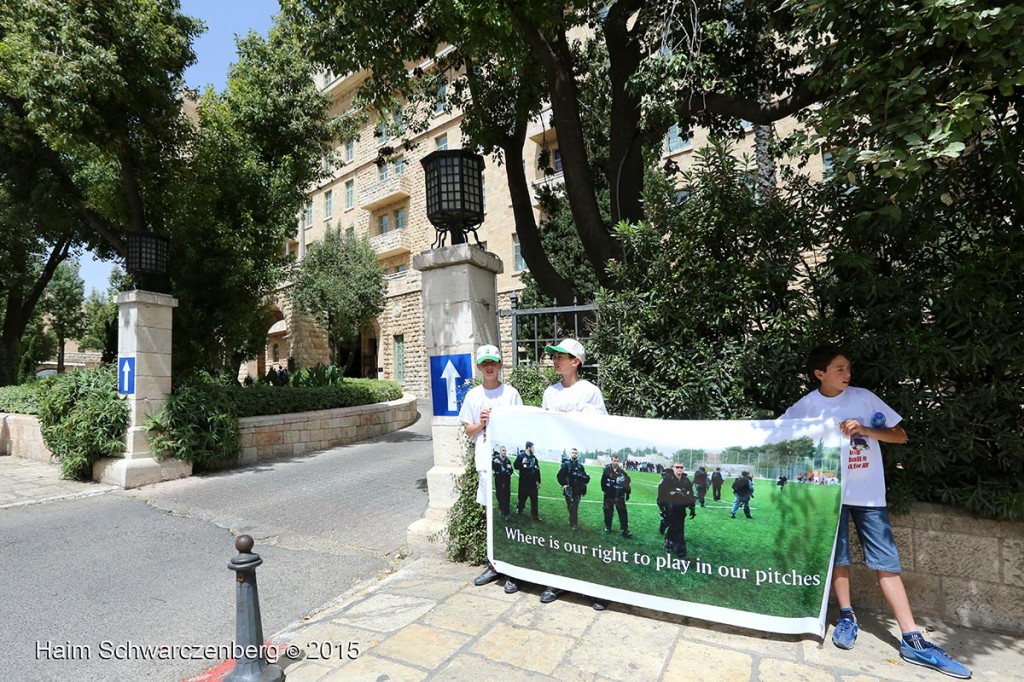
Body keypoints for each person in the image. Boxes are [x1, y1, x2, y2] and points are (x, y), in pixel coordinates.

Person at [781, 344, 971, 678]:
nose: (847, 374)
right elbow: (777, 434)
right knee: (838, 558)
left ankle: (911, 637)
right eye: (839, 369)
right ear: (819, 374)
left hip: (869, 496)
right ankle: (847, 617)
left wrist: (866, 430)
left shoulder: (864, 398)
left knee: (886, 562)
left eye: (848, 368)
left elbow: (900, 435)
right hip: (830, 495)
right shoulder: (806, 406)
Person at [538, 338, 609, 611]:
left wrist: (577, 418)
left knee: (584, 531)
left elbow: (599, 427)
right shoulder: (550, 393)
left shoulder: (590, 391)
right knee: (561, 527)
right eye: (554, 357)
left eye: (561, 357)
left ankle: (593, 587)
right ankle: (556, 581)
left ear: (575, 361)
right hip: (562, 466)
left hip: (580, 469)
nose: (555, 361)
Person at [458, 344, 523, 595]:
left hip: (504, 468)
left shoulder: (511, 394)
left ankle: (513, 569)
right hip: (485, 464)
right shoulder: (474, 396)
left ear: (500, 365)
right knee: (490, 518)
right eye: (484, 363)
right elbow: (468, 430)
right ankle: (494, 564)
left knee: (508, 513)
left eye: (493, 363)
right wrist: (482, 423)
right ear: (478, 367)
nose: (489, 367)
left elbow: (519, 428)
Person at [658, 463, 695, 558]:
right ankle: (680, 552)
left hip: (681, 508)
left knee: (677, 527)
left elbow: (690, 495)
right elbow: (661, 494)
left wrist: (692, 508)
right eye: (677, 467)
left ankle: (670, 543)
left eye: (681, 467)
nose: (679, 469)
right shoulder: (667, 480)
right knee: (677, 528)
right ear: (673, 468)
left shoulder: (686, 481)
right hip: (670, 507)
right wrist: (662, 508)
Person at [557, 448, 590, 530]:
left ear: (578, 454)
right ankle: (572, 521)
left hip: (578, 490)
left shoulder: (581, 466)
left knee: (575, 506)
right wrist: (564, 484)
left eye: (576, 453)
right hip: (569, 490)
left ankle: (574, 524)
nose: (574, 454)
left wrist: (587, 477)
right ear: (570, 454)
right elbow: (559, 476)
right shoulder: (566, 465)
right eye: (573, 453)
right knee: (570, 507)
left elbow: (585, 480)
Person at [601, 455, 632, 538]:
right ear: (611, 461)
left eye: (617, 461)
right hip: (609, 495)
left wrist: (627, 492)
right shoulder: (607, 470)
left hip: (619, 495)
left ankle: (624, 530)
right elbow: (603, 481)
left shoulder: (621, 471)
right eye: (614, 461)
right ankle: (608, 527)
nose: (616, 463)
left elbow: (628, 481)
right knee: (608, 511)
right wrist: (605, 491)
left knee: (622, 512)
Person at [514, 441, 542, 521]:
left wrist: (538, 481)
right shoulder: (521, 456)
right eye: (533, 447)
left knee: (534, 500)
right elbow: (515, 466)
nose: (534, 449)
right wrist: (521, 463)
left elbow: (537, 470)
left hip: (532, 483)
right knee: (522, 498)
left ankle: (535, 515)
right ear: (528, 448)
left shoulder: (534, 458)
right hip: (523, 482)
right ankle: (520, 508)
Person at [492, 446, 515, 521]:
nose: (504, 452)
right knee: (499, 495)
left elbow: (511, 471)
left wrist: (509, 468)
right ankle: (501, 508)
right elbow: (492, 467)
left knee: (507, 496)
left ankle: (506, 513)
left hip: (506, 480)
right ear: (500, 451)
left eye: (505, 450)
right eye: (503, 450)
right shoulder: (496, 460)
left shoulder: (507, 461)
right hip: (499, 480)